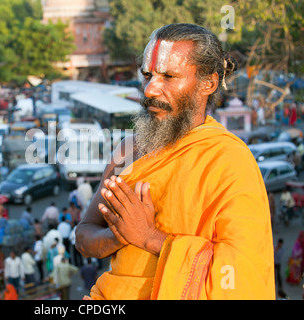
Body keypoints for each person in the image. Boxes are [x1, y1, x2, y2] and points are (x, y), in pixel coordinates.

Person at [75, 23, 275, 300]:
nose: (150, 90)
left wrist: (148, 237)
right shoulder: (128, 152)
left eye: (168, 76)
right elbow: (84, 236)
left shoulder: (229, 160)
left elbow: (239, 272)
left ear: (208, 83)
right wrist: (119, 235)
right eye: (147, 75)